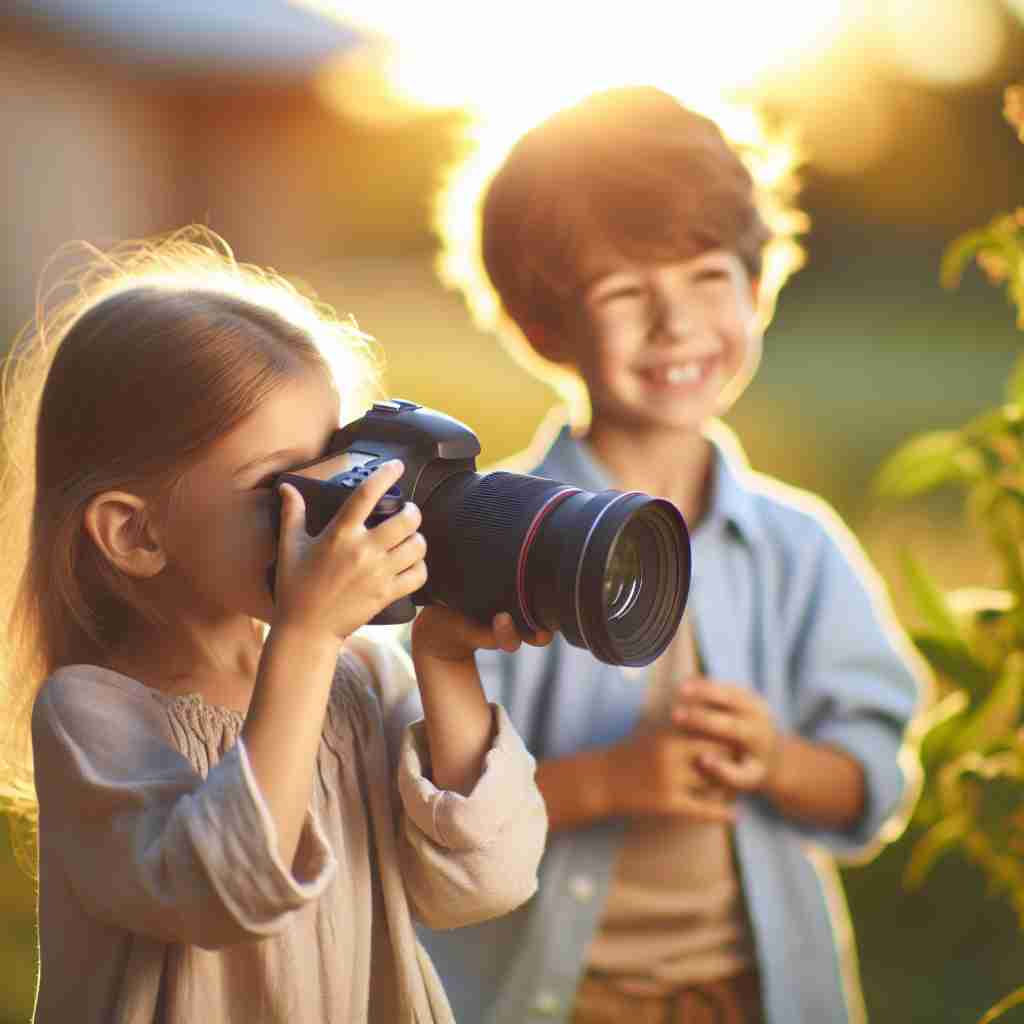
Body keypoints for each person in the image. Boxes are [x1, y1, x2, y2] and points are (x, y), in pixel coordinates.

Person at [391, 86, 924, 1023]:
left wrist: (775, 761)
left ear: (758, 289)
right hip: (551, 1002)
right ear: (543, 329)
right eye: (627, 292)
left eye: (709, 279)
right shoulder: (487, 544)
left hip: (755, 999)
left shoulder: (798, 551)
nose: (676, 325)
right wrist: (607, 783)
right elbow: (426, 815)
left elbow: (869, 784)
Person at [0, 227, 550, 1024]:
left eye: (333, 463)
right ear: (136, 534)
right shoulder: (91, 714)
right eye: (274, 487)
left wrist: (443, 662)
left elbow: (482, 883)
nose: (328, 505)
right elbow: (223, 893)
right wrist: (306, 640)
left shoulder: (363, 674)